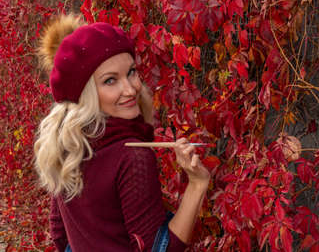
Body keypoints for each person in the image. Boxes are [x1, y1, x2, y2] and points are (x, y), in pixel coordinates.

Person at [33, 14, 210, 252]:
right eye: (110, 81)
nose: (131, 89)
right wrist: (198, 184)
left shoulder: (69, 148)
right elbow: (160, 249)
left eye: (131, 72)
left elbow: (60, 235)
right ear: (86, 94)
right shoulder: (132, 156)